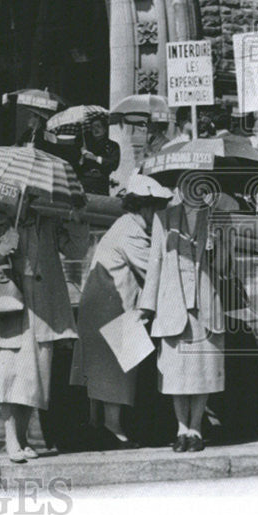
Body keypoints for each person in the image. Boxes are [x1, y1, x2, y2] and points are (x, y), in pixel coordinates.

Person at [0, 195, 90, 462]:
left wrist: (78, 219)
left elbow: (75, 251)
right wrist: (3, 250)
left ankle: (23, 437)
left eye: (26, 197)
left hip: (42, 311)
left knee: (32, 377)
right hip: (10, 308)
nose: (21, 202)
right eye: (15, 197)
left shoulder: (48, 223)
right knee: (9, 373)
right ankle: (10, 437)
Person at [69, 175, 173, 448]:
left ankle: (101, 426)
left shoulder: (127, 226)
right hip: (113, 308)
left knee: (106, 372)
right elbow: (151, 270)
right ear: (146, 207)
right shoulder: (130, 230)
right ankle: (112, 429)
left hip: (107, 305)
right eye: (157, 207)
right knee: (116, 372)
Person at [139, 187, 232, 453]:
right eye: (189, 181)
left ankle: (196, 428)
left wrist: (218, 244)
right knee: (177, 371)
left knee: (202, 369)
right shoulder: (163, 218)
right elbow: (155, 263)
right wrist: (147, 306)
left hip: (206, 306)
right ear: (180, 186)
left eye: (202, 182)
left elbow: (226, 269)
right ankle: (181, 428)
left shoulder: (220, 218)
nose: (196, 188)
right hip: (173, 305)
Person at [75, 117, 120, 195]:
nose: (95, 129)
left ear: (105, 129)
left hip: (101, 183)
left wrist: (95, 158)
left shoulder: (113, 145)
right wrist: (81, 157)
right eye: (92, 127)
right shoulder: (85, 145)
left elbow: (114, 164)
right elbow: (75, 165)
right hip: (85, 182)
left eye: (98, 126)